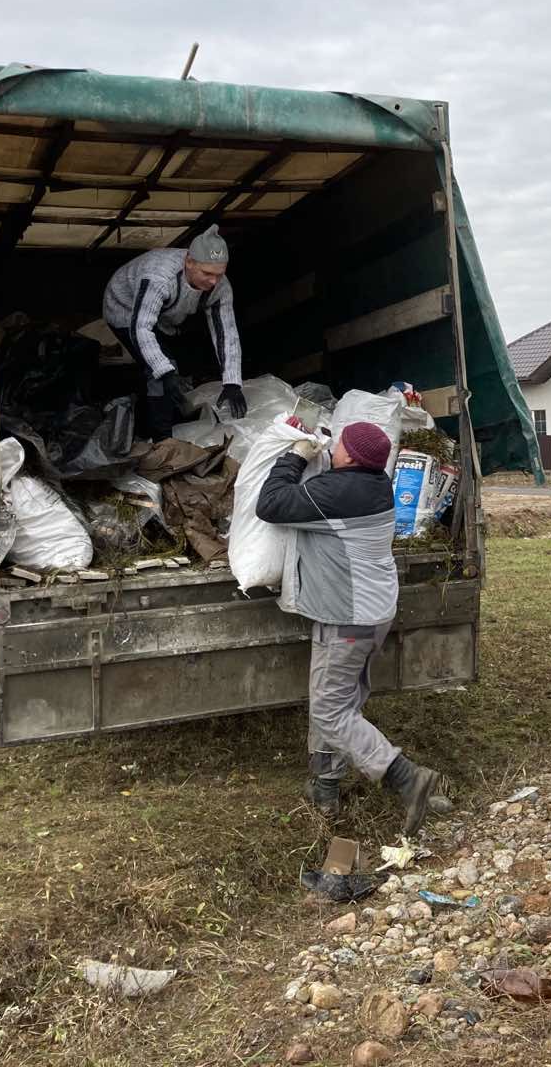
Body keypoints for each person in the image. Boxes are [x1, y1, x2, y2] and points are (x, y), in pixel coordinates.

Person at [255, 418, 446, 834]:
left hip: (348, 617)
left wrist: (293, 456)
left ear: (351, 457)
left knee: (329, 707)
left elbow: (269, 504)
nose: (334, 446)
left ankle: (406, 777)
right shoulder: (372, 482)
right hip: (371, 612)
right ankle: (325, 784)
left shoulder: (340, 492)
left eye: (340, 443)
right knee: (341, 702)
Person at [103, 224, 245, 438]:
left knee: (180, 363)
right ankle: (161, 441)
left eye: (219, 274)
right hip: (124, 309)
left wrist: (232, 382)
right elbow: (141, 327)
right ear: (189, 262)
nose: (213, 281)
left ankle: (176, 416)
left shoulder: (220, 285)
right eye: (207, 273)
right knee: (159, 372)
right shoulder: (159, 276)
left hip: (166, 316)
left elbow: (226, 332)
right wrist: (165, 370)